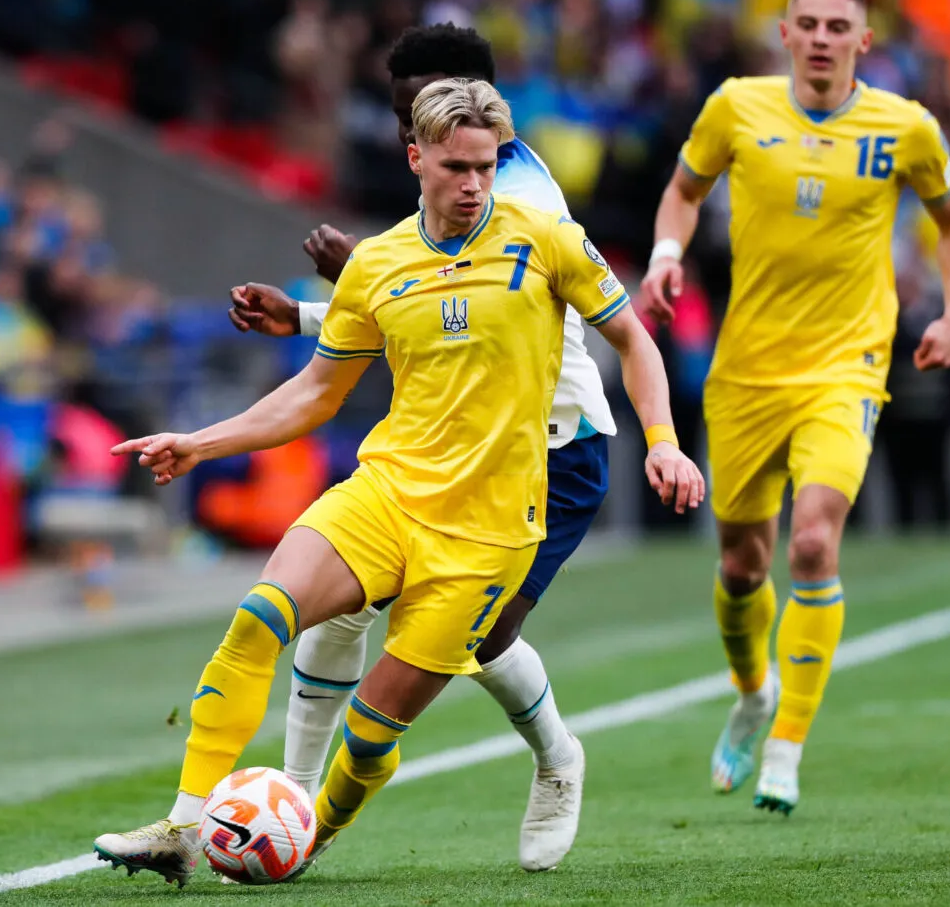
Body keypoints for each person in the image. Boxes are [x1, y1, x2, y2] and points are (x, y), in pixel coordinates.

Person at [95, 77, 704, 888]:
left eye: (486, 167)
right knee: (258, 618)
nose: (473, 185)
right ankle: (181, 823)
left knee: (372, 734)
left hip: (488, 532)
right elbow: (317, 390)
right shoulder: (378, 262)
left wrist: (663, 442)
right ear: (416, 157)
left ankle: (306, 835)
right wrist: (200, 443)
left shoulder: (548, 239)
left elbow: (634, 340)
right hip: (386, 493)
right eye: (455, 166)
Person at [227, 23, 620, 872]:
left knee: (481, 641)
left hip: (547, 447)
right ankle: (290, 800)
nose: (418, 114)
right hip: (446, 447)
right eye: (406, 102)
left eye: (434, 94)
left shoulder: (516, 191)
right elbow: (420, 303)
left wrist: (349, 270)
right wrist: (309, 314)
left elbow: (483, 300)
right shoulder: (438, 177)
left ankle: (558, 756)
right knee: (341, 599)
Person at [637, 0, 950, 815]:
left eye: (840, 27)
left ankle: (787, 740)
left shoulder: (907, 128)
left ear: (865, 42)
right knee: (741, 563)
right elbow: (683, 192)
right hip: (746, 371)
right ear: (783, 33)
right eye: (810, 24)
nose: (823, 38)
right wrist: (664, 254)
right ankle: (753, 693)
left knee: (815, 544)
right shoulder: (734, 108)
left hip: (847, 366)